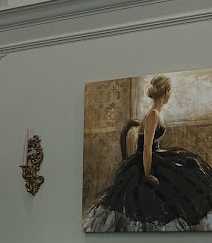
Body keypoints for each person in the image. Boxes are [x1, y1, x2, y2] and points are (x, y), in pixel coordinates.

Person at [84, 74, 212, 232]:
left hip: (154, 155)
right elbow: (146, 147)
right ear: (166, 93)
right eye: (170, 91)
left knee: (191, 166)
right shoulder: (153, 115)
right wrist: (148, 173)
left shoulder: (156, 113)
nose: (170, 95)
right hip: (146, 160)